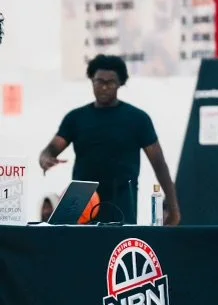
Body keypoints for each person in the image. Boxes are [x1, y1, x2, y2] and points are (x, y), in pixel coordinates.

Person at [38, 54, 181, 225]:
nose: (104, 87)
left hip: (122, 203)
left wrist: (174, 209)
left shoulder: (137, 119)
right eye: (99, 81)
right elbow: (51, 149)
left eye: (110, 82)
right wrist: (45, 158)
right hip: (83, 204)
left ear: (120, 83)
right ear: (92, 80)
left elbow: (159, 165)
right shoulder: (75, 118)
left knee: (118, 250)